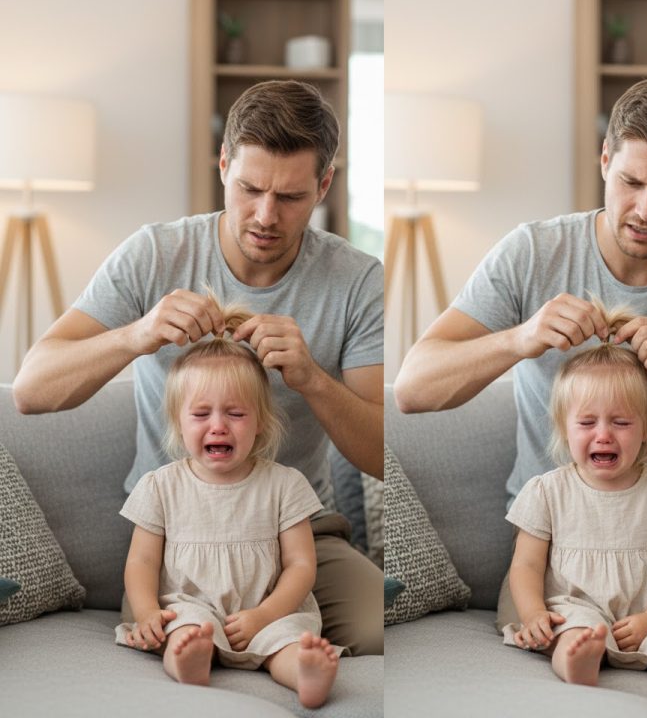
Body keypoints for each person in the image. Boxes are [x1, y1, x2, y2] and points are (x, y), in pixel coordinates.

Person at [394, 78, 647, 654]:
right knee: (568, 643)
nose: (646, 209)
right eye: (631, 181)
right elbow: (412, 389)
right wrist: (518, 339)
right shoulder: (533, 253)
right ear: (604, 160)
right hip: (554, 540)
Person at [13, 79, 383, 655]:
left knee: (379, 634)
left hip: (297, 535)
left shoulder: (357, 281)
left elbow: (384, 454)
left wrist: (312, 379)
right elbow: (31, 391)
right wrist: (135, 336)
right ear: (223, 165)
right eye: (250, 188)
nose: (265, 216)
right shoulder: (154, 254)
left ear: (324, 185)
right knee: (182, 638)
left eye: (289, 198)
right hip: (171, 537)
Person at [115, 299, 341, 707]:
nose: (218, 425)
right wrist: (147, 612)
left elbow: (301, 565)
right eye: (201, 414)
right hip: (190, 607)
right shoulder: (161, 486)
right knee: (184, 630)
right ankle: (191, 662)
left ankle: (305, 674)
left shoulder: (285, 484)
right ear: (179, 425)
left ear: (259, 423)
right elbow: (141, 562)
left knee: (287, 643)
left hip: (268, 611)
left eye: (235, 413)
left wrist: (266, 615)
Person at [506, 307, 647, 708]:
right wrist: (533, 614)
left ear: (646, 430)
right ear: (564, 429)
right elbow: (525, 566)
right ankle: (580, 665)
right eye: (587, 422)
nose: (604, 435)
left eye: (621, 423)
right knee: (573, 632)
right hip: (578, 607)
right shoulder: (546, 491)